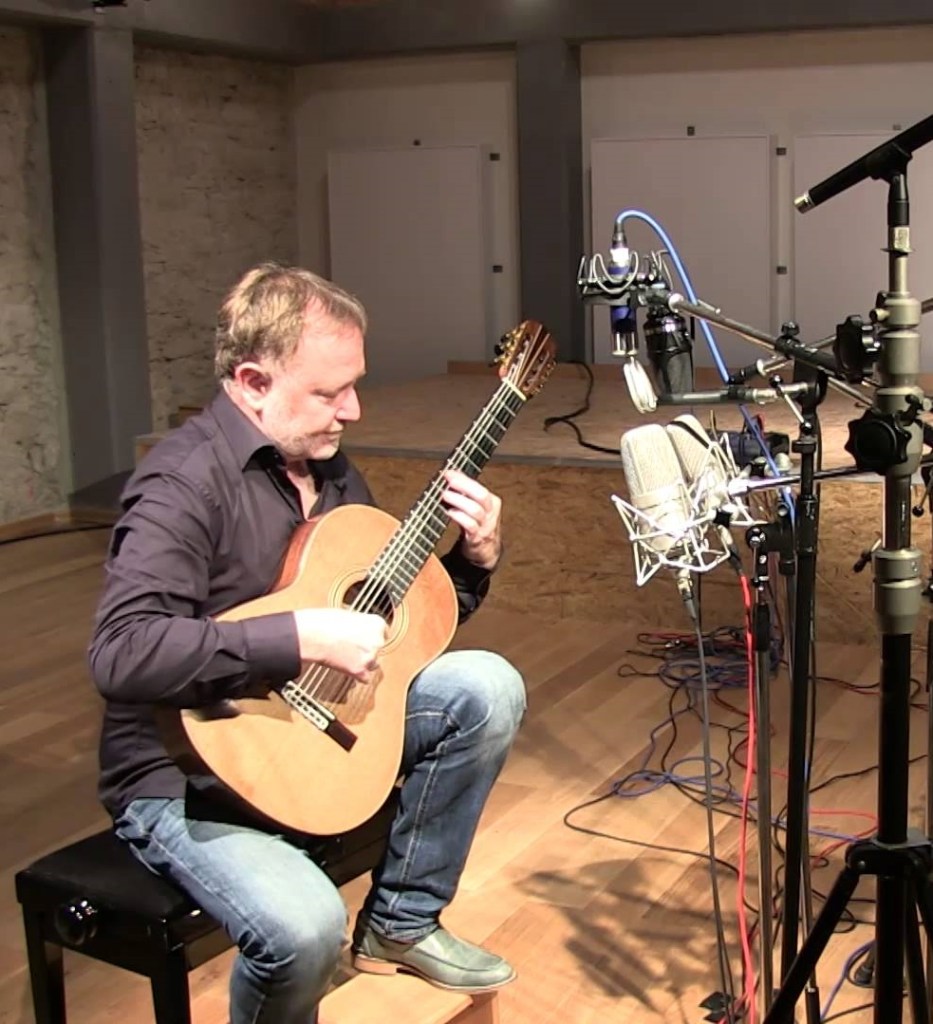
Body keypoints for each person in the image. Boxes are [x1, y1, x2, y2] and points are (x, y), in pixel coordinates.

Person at [88, 262, 526, 1024]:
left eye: (355, 384)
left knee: (485, 686)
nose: (352, 410)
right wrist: (294, 638)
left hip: (302, 740)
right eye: (329, 392)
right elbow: (121, 653)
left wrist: (470, 562)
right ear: (253, 382)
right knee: (305, 929)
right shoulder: (182, 485)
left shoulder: (327, 470)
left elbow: (381, 623)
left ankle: (401, 921)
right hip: (187, 776)